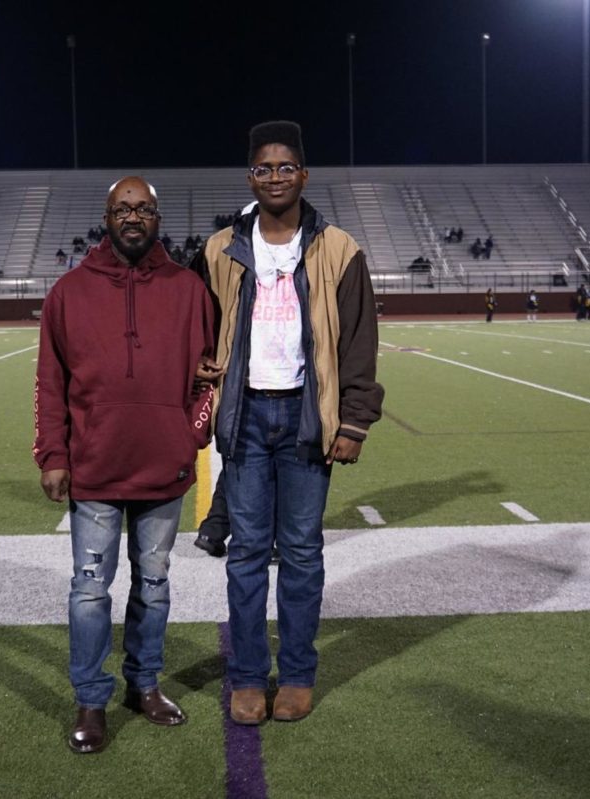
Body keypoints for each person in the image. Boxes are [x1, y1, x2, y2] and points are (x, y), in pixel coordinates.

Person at [189, 121, 383, 726]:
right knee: (246, 553)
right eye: (263, 168)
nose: (275, 177)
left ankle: (296, 672)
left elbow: (358, 341)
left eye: (285, 167)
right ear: (251, 176)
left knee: (301, 551)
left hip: (306, 416)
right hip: (244, 415)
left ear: (304, 174)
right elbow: (196, 326)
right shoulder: (220, 249)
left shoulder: (340, 249)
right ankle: (248, 675)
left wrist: (354, 421)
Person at [33, 176, 214, 754]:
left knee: (154, 585)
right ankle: (90, 698)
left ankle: (143, 684)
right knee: (90, 590)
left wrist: (189, 437)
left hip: (163, 467)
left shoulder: (189, 290)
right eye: (122, 208)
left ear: (157, 217)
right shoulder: (68, 292)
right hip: (95, 467)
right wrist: (53, 455)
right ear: (107, 217)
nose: (133, 217)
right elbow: (49, 382)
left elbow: (208, 378)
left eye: (143, 208)